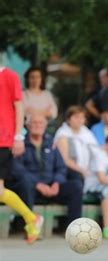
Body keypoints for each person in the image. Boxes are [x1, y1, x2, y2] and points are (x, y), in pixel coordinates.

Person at [9, 114, 83, 225]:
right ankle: (29, 226)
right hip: (31, 187)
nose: (37, 126)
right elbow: (17, 169)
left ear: (45, 126)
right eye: (34, 123)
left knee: (76, 186)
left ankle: (73, 227)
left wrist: (57, 183)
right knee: (25, 183)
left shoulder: (51, 143)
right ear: (27, 126)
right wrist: (37, 184)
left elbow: (61, 167)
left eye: (41, 123)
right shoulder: (21, 144)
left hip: (51, 186)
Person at [0, 65, 43, 243]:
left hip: (3, 139)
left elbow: (19, 107)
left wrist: (18, 136)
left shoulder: (9, 76)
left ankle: (31, 218)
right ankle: (31, 218)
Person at [54, 106, 99, 183]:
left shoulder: (87, 133)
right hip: (70, 172)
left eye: (82, 118)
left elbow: (96, 152)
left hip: (88, 170)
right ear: (68, 119)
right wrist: (82, 171)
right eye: (76, 117)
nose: (79, 120)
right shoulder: (63, 134)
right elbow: (65, 160)